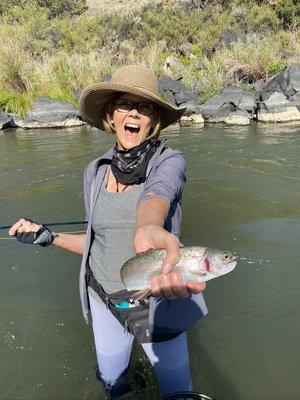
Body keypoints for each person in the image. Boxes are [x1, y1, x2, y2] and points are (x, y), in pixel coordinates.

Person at [9, 65, 208, 399]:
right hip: (103, 298)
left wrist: (146, 226)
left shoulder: (169, 161)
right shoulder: (95, 171)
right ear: (111, 115)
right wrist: (49, 237)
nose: (133, 113)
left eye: (144, 107)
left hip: (156, 301)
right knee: (114, 385)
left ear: (153, 119)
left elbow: (158, 194)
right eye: (124, 104)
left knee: (177, 393)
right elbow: (94, 242)